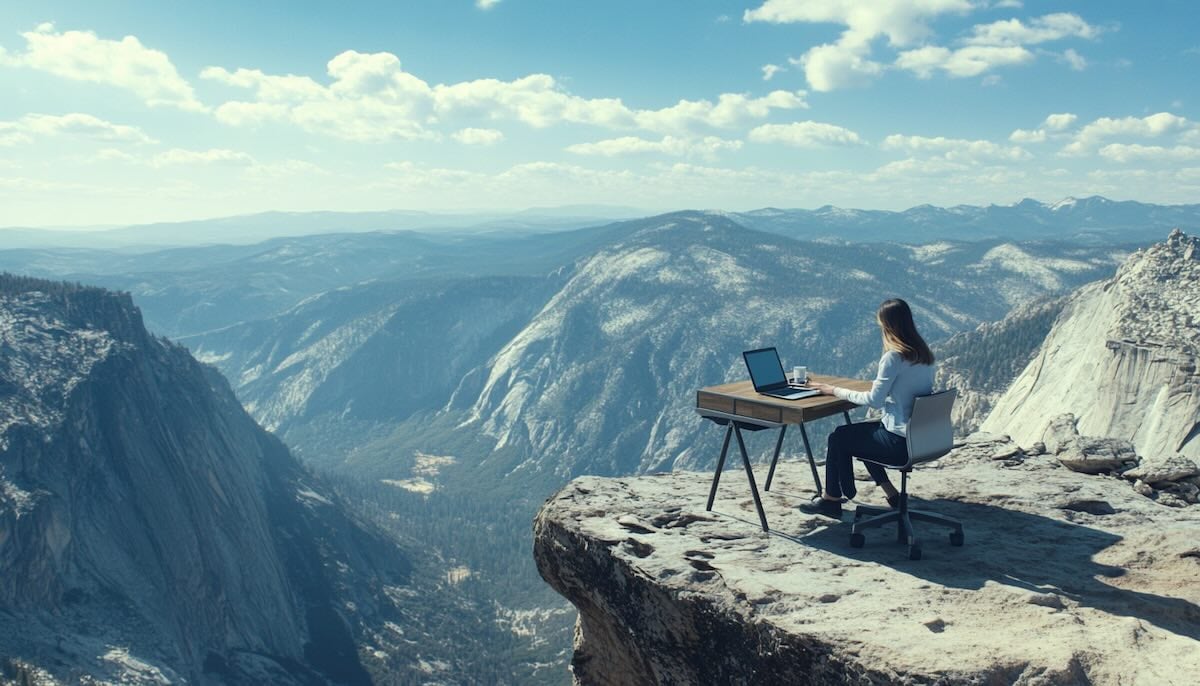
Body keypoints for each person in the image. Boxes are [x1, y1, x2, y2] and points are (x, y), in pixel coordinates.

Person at [799, 298, 935, 519]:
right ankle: (892, 495)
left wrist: (833, 390)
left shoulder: (893, 357)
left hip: (899, 443)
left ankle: (831, 500)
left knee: (840, 437)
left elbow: (874, 400)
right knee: (864, 434)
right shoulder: (925, 356)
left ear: (888, 326)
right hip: (922, 438)